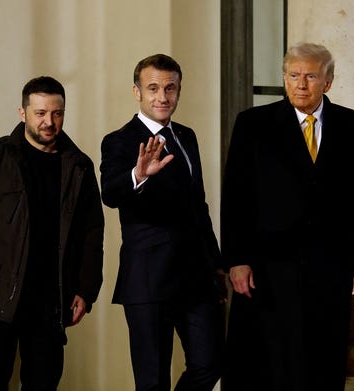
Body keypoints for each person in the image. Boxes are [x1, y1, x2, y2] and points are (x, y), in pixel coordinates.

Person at [221, 42, 354, 391]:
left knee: (323, 364)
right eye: (293, 75)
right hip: (268, 272)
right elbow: (236, 198)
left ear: (328, 82)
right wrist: (237, 259)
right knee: (270, 366)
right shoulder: (253, 125)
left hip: (332, 270)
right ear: (284, 78)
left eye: (311, 76)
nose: (301, 84)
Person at [0, 76, 105, 389]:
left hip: (51, 301)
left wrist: (86, 289)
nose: (49, 122)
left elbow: (92, 233)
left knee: (44, 382)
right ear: (23, 113)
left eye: (57, 113)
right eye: (40, 113)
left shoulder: (79, 167)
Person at [100, 54, 225, 391]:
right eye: (153, 88)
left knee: (210, 363)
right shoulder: (120, 140)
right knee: (153, 381)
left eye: (170, 88)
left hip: (196, 278)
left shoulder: (187, 136)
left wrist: (217, 266)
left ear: (179, 91)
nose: (163, 97)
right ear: (137, 92)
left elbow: (199, 207)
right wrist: (137, 175)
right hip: (148, 279)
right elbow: (110, 192)